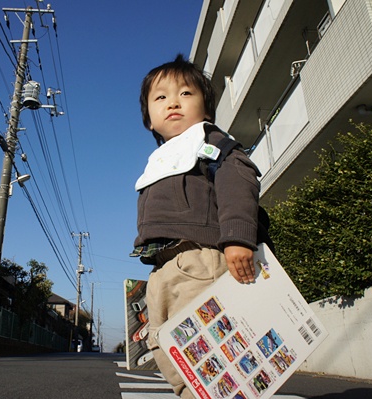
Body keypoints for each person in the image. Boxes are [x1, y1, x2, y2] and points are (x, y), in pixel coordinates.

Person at [131, 54, 261, 398]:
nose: (173, 102)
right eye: (160, 97)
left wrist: (237, 238)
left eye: (186, 94)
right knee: (169, 352)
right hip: (165, 270)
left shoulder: (209, 142)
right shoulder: (162, 158)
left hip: (200, 262)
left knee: (204, 361)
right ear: (149, 119)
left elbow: (237, 180)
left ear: (206, 109)